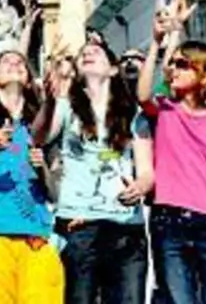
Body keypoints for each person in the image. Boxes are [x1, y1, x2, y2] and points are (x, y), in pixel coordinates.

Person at [137, 0, 206, 304]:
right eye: (173, 64)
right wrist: (157, 43)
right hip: (168, 220)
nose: (174, 69)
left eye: (183, 65)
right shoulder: (165, 109)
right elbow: (143, 93)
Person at [38, 38, 152, 304]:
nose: (88, 53)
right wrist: (50, 100)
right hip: (79, 223)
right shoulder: (66, 106)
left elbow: (147, 171)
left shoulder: (132, 112)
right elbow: (40, 137)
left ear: (112, 69)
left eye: (96, 52)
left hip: (125, 225)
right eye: (83, 54)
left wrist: (140, 186)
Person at [0, 33, 64, 304]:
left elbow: (53, 191)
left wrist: (50, 100)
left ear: (30, 80)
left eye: (21, 62)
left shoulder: (37, 122)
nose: (15, 63)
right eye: (6, 61)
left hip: (36, 233)